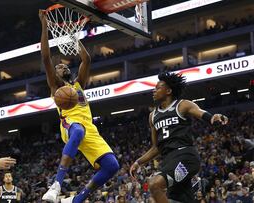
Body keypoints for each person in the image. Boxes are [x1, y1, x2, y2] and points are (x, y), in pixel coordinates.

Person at [39, 10, 120, 203]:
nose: (63, 67)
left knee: (112, 166)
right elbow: (45, 57)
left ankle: (76, 200)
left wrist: (73, 37)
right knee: (77, 131)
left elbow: (87, 59)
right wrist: (44, 25)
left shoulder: (78, 84)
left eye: (65, 66)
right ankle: (56, 185)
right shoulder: (56, 86)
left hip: (89, 127)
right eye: (59, 67)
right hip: (70, 124)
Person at [129, 72, 228, 203]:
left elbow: (201, 113)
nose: (154, 90)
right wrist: (138, 162)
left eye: (158, 88)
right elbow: (156, 147)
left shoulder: (182, 105)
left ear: (169, 90)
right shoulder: (152, 116)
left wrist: (213, 117)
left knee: (154, 185)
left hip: (185, 157)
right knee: (177, 200)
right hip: (168, 161)